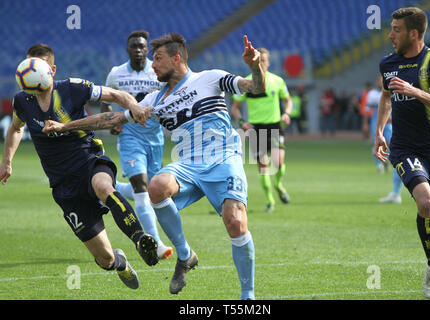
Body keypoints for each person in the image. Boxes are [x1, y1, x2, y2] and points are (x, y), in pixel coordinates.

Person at [43, 33, 265, 300]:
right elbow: (109, 118)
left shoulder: (209, 77)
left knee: (235, 222)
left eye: (157, 58)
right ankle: (185, 255)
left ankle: (248, 296)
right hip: (188, 165)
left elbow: (255, 87)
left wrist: (255, 66)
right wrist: (65, 126)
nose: (152, 65)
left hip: (224, 158)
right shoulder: (154, 101)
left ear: (177, 58)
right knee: (156, 187)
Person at [0, 44, 159, 290]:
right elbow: (16, 128)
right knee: (104, 258)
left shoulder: (73, 88)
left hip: (88, 160)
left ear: (51, 69)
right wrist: (7, 161)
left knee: (103, 186)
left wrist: (135, 107)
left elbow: (117, 95)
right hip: (63, 185)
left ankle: (140, 239)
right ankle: (120, 263)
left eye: (39, 67)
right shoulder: (22, 101)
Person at [374, 7, 430, 300]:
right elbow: (386, 95)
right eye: (391, 28)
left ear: (414, 33)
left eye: (396, 30)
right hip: (405, 149)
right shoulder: (387, 64)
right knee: (427, 204)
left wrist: (417, 92)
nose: (390, 35)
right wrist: (379, 131)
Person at [101, 30, 173, 260]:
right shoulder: (116, 74)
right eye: (135, 46)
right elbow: (106, 101)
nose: (139, 50)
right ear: (128, 49)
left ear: (147, 50)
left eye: (143, 47)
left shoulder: (157, 71)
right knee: (142, 191)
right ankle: (157, 243)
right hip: (130, 138)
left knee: (152, 191)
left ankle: (113, 189)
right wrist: (112, 122)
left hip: (155, 138)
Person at [231, 48, 292, 213]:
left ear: (268, 62)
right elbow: (235, 108)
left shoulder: (277, 81)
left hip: (274, 126)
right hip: (255, 128)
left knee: (278, 164)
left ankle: (278, 185)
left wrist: (286, 113)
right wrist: (242, 122)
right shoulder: (247, 82)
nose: (261, 63)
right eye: (258, 61)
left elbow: (288, 101)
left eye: (263, 60)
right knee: (263, 166)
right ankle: (269, 201)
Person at [365, 75, 403, 203]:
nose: (380, 81)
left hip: (392, 125)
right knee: (378, 146)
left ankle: (396, 192)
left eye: (382, 79)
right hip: (378, 124)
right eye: (378, 79)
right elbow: (368, 110)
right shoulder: (373, 94)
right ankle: (381, 165)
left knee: (397, 153)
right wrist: (365, 123)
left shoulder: (396, 90)